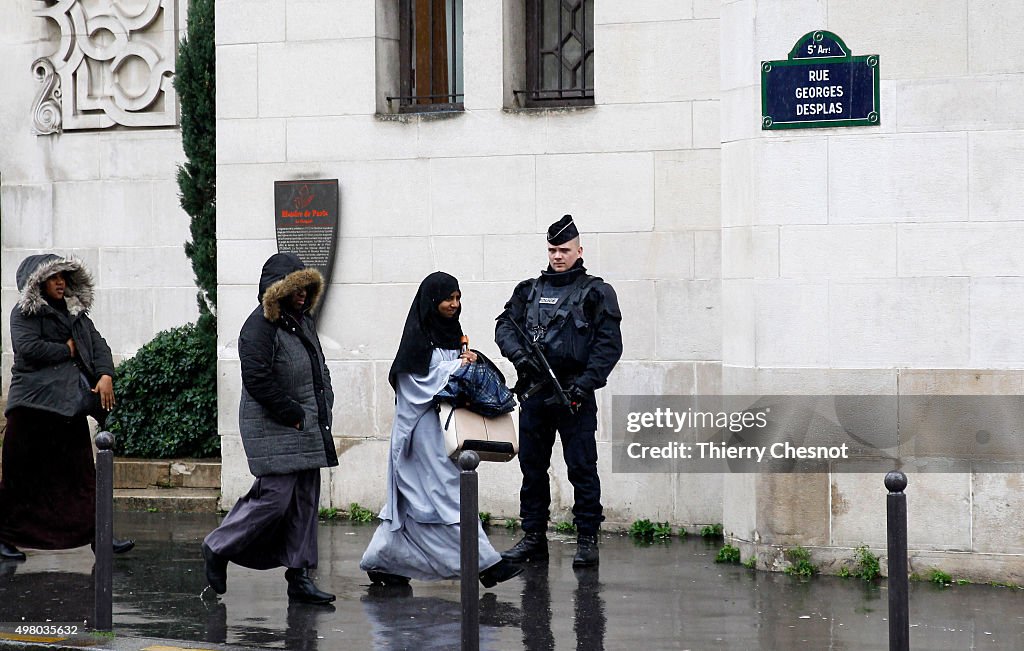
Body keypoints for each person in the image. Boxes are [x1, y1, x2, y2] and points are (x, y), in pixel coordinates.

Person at [360, 271, 522, 588]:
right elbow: (413, 385)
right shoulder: (417, 340)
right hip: (422, 433)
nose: (454, 304)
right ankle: (485, 565)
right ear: (432, 301)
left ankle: (385, 561)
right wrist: (455, 368)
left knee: (419, 501)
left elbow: (460, 375)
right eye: (449, 298)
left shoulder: (452, 333)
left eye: (458, 298)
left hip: (446, 430)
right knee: (448, 494)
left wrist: (475, 360)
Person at [202, 253, 337, 604]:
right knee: (275, 499)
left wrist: (323, 404)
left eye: (306, 288)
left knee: (305, 500)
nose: (303, 295)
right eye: (296, 289)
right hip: (276, 425)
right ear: (276, 290)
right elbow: (257, 379)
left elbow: (317, 366)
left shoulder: (302, 321)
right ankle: (218, 546)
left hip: (306, 423)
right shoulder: (259, 326)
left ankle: (300, 576)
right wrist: (291, 412)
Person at [495, 215, 622, 567]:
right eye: (552, 249)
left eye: (564, 250)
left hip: (574, 395)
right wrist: (520, 355)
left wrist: (583, 385)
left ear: (579, 250)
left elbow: (608, 347)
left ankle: (586, 538)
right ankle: (534, 536)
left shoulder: (596, 292)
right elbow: (505, 325)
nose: (557, 256)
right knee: (532, 468)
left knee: (581, 468)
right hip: (535, 395)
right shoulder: (529, 291)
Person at [0, 254, 134, 561]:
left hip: (67, 407)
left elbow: (98, 345)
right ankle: (4, 537)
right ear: (38, 283)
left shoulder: (77, 314)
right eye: (53, 278)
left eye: (63, 277)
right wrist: (66, 348)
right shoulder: (23, 313)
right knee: (21, 480)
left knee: (82, 477)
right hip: (31, 408)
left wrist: (105, 375)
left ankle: (100, 535)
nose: (60, 282)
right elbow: (27, 349)